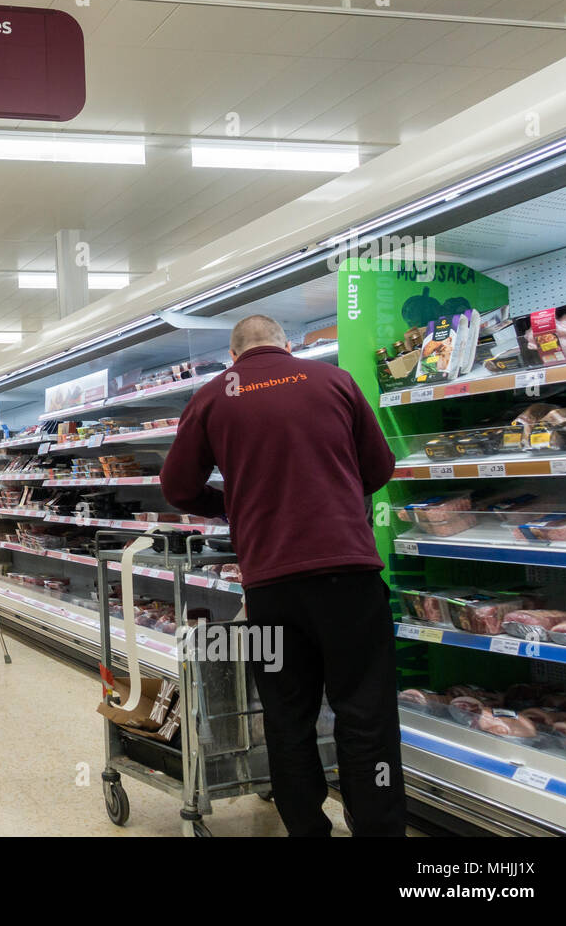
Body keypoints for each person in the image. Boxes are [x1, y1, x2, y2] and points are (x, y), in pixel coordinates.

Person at [159, 314, 403, 837]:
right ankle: (378, 827)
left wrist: (233, 504)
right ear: (287, 347)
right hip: (349, 576)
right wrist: (334, 487)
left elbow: (177, 488)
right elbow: (380, 468)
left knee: (287, 716)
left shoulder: (211, 396)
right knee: (366, 714)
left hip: (270, 586)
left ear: (233, 357)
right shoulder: (334, 380)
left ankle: (305, 828)